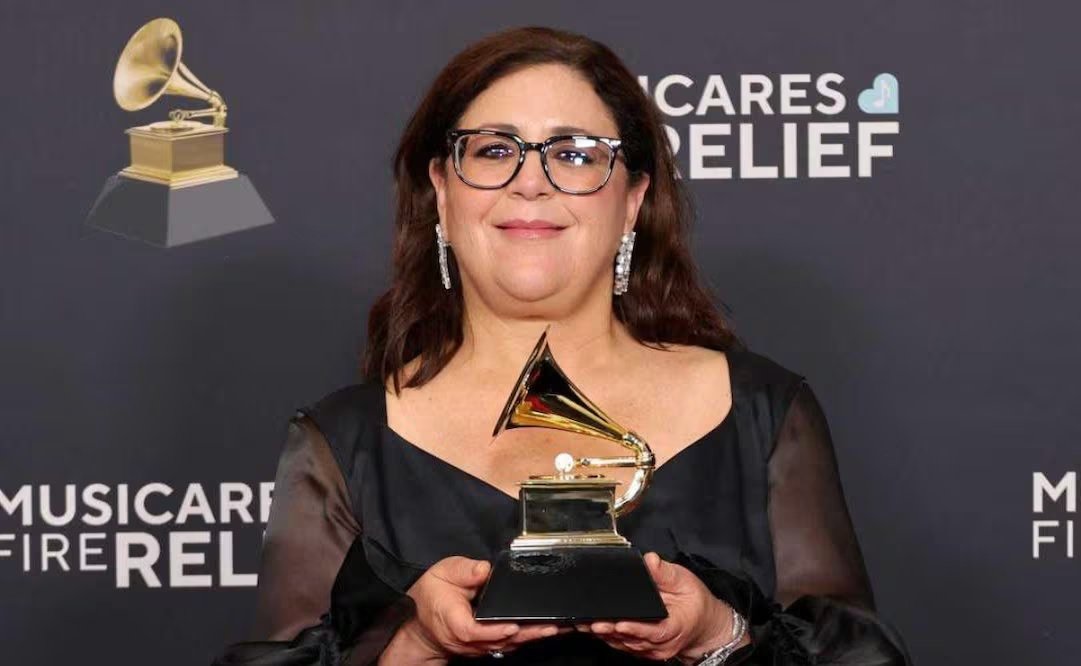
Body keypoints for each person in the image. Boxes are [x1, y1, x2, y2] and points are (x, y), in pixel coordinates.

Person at [214, 26, 911, 666]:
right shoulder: (343, 442)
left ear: (632, 199)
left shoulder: (761, 411)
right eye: (493, 150)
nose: (530, 181)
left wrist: (717, 638)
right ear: (441, 193)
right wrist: (414, 646)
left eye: (575, 155)